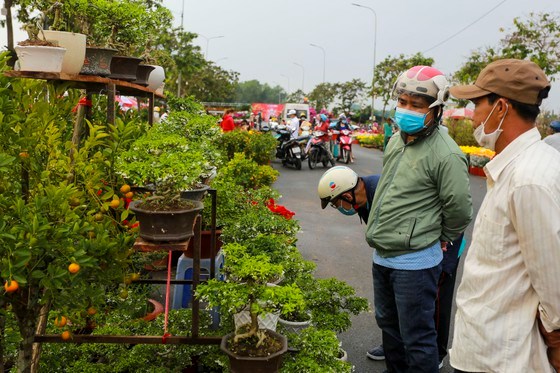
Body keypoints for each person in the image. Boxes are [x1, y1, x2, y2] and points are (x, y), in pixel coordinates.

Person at [448, 59, 560, 373]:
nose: (472, 115)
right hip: (486, 345)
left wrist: (556, 341)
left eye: (476, 104)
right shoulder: (518, 168)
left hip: (501, 357)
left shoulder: (529, 179)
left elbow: (552, 281)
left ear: (501, 107)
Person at [365, 65, 473, 373]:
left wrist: (443, 237)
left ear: (436, 110)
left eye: (417, 104)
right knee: (389, 327)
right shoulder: (397, 141)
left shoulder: (446, 154)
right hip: (383, 255)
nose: (406, 110)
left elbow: (460, 208)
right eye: (403, 101)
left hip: (415, 263)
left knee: (418, 339)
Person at [318, 166, 467, 368]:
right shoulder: (362, 197)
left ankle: (437, 353)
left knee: (435, 301)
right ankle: (398, 346)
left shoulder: (388, 192)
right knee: (397, 303)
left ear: (347, 195)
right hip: (405, 252)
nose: (339, 208)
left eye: (337, 204)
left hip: (442, 243)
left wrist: (441, 243)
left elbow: (444, 212)